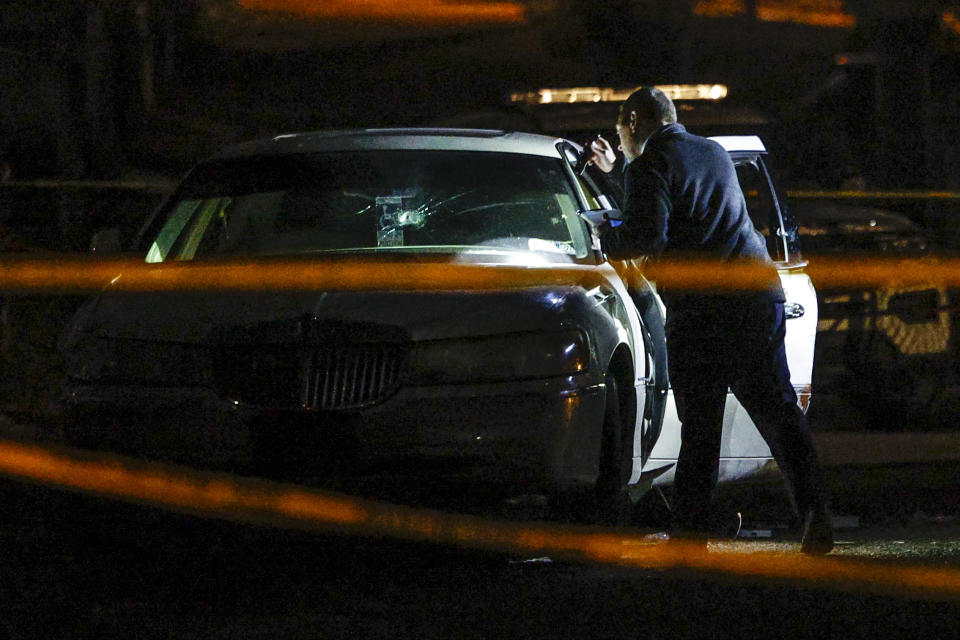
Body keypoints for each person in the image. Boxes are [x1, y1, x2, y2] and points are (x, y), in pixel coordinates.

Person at [587, 87, 833, 554]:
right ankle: (817, 518)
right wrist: (619, 174)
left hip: (702, 313)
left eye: (621, 131)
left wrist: (606, 233)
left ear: (634, 122)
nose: (620, 142)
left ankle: (692, 533)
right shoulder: (714, 152)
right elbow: (684, 203)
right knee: (780, 416)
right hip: (755, 299)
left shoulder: (649, 166)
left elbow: (647, 232)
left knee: (700, 429)